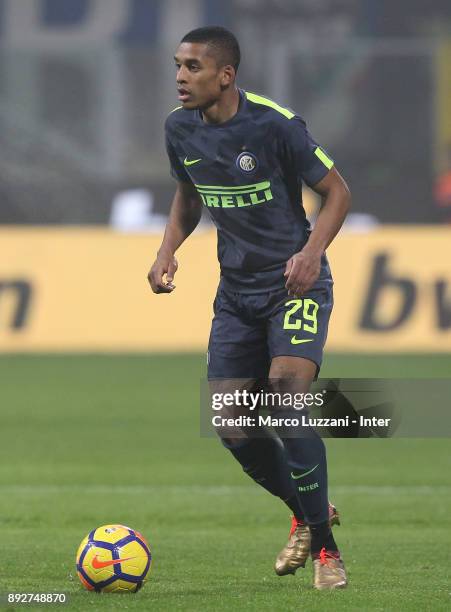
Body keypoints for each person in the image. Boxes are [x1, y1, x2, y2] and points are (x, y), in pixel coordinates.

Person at [148, 26, 351, 590]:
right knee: (233, 426)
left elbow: (338, 192)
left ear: (225, 75)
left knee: (287, 401)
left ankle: (327, 553)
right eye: (178, 66)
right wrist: (167, 249)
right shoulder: (178, 127)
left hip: (294, 286)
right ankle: (311, 514)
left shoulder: (273, 124)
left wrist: (312, 253)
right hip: (235, 295)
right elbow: (188, 195)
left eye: (192, 68)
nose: (181, 78)